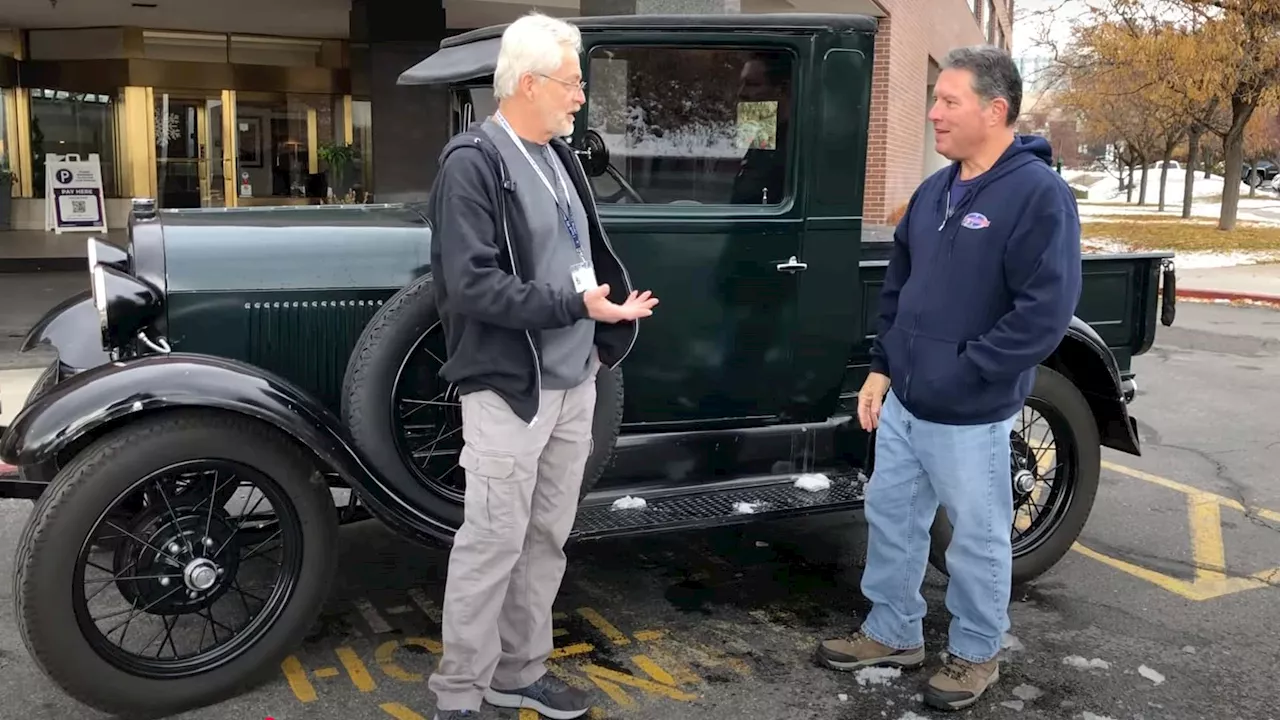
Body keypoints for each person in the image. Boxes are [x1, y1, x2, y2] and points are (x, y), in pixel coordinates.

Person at [815, 45, 1082, 712]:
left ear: (995, 111)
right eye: (935, 99)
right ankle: (892, 631)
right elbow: (899, 289)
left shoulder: (1036, 195)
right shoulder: (935, 191)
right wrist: (882, 368)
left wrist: (971, 372)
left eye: (948, 101)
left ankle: (974, 653)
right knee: (892, 516)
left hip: (971, 408)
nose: (933, 113)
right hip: (906, 399)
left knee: (978, 538)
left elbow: (1043, 313)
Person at [424, 12, 659, 720]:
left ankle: (519, 673)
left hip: (574, 381)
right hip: (510, 390)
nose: (580, 97)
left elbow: (574, 255)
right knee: (491, 544)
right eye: (571, 83)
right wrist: (577, 304)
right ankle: (459, 696)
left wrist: (600, 315)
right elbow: (468, 286)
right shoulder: (474, 163)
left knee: (546, 538)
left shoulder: (557, 155)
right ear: (528, 84)